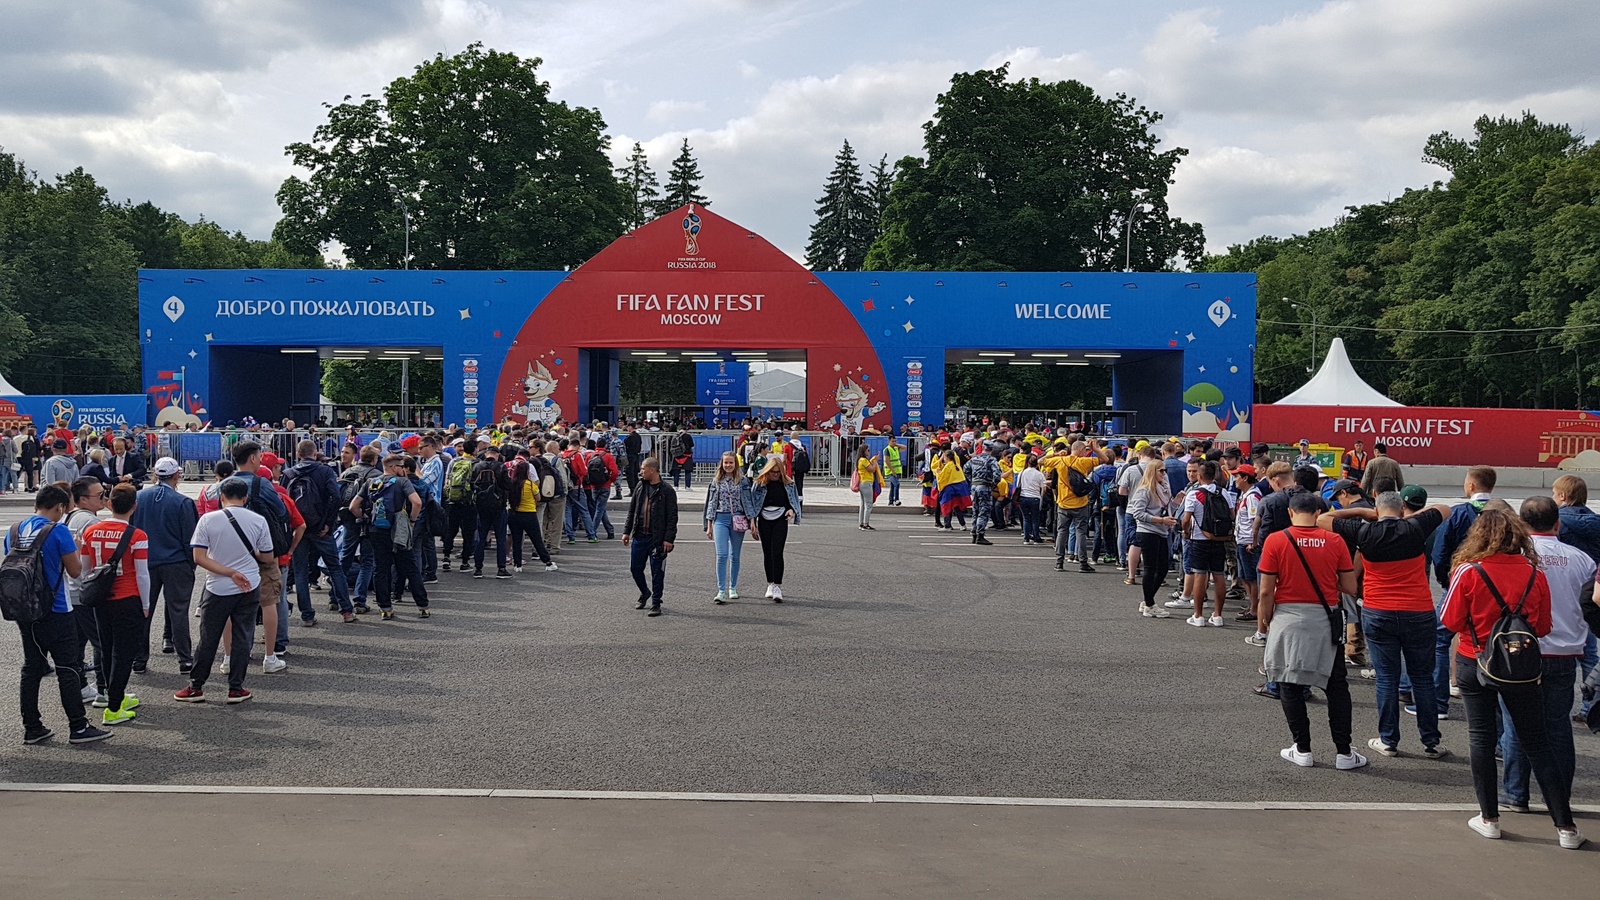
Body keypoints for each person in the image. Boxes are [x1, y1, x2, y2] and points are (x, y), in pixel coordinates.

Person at [1440, 507, 1584, 849]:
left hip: (1475, 660)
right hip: (1522, 664)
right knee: (1537, 740)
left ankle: (1489, 818)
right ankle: (1566, 827)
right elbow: (1545, 627)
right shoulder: (1535, 573)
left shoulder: (1468, 571)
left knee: (1481, 738)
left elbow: (1449, 620)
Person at [1318, 490, 1453, 758]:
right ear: (1402, 508)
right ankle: (1431, 741)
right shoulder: (1415, 527)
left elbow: (1323, 518)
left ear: (1377, 510)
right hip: (1417, 610)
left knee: (1387, 678)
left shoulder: (1364, 532)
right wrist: (1408, 515)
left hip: (1379, 610)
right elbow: (1444, 508)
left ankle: (1388, 739)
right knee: (1422, 678)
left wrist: (1362, 512)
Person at [1257, 491, 1365, 771]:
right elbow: (1350, 587)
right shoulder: (1335, 541)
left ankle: (1302, 748)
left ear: (1291, 513)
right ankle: (1344, 752)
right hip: (1324, 618)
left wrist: (1264, 623)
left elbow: (1266, 591)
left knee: (1289, 683)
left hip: (1287, 619)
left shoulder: (1276, 540)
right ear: (1318, 513)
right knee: (1336, 685)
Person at [1499, 497, 1590, 818]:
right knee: (1557, 728)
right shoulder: (1581, 560)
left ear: (1521, 523)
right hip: (1565, 653)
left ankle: (1515, 793)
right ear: (1558, 523)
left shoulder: (1515, 558)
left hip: (1519, 652)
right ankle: (1559, 795)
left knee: (1515, 726)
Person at [4, 485, 111, 744]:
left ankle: (32, 726)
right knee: (67, 667)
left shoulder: (14, 530)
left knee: (32, 666)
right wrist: (74, 548)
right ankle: (78, 725)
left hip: (24, 608)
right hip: (56, 608)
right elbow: (75, 571)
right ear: (60, 507)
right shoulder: (58, 530)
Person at [176, 478, 274, 704]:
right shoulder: (258, 520)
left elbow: (198, 557)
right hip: (249, 584)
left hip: (217, 587)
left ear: (221, 497)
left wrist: (229, 572)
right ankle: (236, 688)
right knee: (243, 636)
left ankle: (196, 686)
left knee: (208, 638)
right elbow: (267, 556)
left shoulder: (207, 520)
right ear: (245, 498)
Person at [79, 484, 150, 726]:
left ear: (109, 504)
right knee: (124, 652)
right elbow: (142, 575)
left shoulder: (91, 531)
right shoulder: (138, 536)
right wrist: (146, 603)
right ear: (134, 507)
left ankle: (112, 695)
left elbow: (85, 568)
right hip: (127, 597)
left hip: (100, 598)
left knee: (106, 648)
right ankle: (114, 706)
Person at [130, 457, 200, 674]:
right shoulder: (183, 502)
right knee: (178, 610)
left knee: (143, 611)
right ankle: (185, 659)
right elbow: (190, 538)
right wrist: (192, 564)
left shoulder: (138, 498)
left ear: (155, 475)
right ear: (176, 476)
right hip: (175, 561)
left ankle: (139, 659)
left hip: (145, 561)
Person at [350, 453, 430, 617]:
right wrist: (412, 520)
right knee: (410, 567)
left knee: (380, 568)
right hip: (398, 529)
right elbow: (417, 502)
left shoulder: (371, 482)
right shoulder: (402, 482)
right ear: (394, 467)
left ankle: (385, 608)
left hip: (376, 530)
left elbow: (353, 506)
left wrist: (363, 517)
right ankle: (422, 606)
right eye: (401, 466)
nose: (403, 469)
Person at [285, 440, 354, 625]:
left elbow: (284, 502)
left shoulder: (289, 473)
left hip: (299, 529)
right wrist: (328, 523)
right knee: (335, 568)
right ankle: (346, 611)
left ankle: (307, 616)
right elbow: (336, 496)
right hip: (321, 528)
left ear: (298, 455)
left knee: (300, 572)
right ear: (315, 454)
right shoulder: (325, 471)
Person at [623, 457, 677, 616]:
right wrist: (627, 531)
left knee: (657, 572)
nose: (641, 471)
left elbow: (672, 517)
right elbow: (632, 510)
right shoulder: (640, 486)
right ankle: (644, 592)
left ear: (652, 470)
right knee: (635, 569)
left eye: (643, 469)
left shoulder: (667, 491)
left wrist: (669, 539)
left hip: (657, 539)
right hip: (639, 536)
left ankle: (656, 603)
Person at [1179, 459, 1230, 627]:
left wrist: (1186, 532)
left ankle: (1198, 615)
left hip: (1199, 539)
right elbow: (1232, 514)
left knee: (1200, 575)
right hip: (1218, 538)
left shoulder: (1194, 494)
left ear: (1200, 476)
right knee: (1219, 575)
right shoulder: (1224, 493)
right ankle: (1218, 615)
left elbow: (1186, 519)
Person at [1127, 459, 1177, 618]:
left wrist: (1176, 502)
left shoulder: (1164, 487)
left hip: (1161, 531)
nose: (1164, 474)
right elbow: (1138, 514)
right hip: (1148, 531)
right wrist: (1161, 520)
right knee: (1150, 568)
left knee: (1162, 568)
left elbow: (1168, 508)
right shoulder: (1144, 490)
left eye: (1165, 471)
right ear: (1153, 472)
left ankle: (1148, 599)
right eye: (1161, 471)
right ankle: (1149, 604)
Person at [703, 452, 754, 604]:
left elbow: (748, 501)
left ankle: (732, 587)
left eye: (731, 463)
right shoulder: (716, 481)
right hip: (720, 518)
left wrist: (752, 521)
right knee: (722, 555)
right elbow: (711, 504)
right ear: (722, 464)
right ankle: (721, 590)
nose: (728, 465)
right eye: (726, 463)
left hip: (738, 518)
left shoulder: (743, 481)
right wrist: (709, 525)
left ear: (735, 464)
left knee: (735, 555)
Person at [751, 457, 802, 601]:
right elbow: (753, 504)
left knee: (777, 552)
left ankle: (778, 586)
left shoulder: (788, 484)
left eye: (778, 472)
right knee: (767, 553)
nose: (775, 475)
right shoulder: (759, 484)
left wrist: (792, 510)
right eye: (772, 472)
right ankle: (770, 583)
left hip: (780, 519)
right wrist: (752, 522)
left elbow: (792, 501)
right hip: (764, 519)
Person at [507, 451, 557, 573]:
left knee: (517, 539)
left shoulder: (511, 484)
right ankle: (548, 562)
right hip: (529, 513)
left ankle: (517, 564)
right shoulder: (530, 485)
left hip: (513, 513)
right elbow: (538, 498)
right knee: (536, 540)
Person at [469, 445, 512, 578]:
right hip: (498, 506)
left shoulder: (477, 466)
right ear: (497, 455)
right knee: (500, 538)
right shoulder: (500, 466)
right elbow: (508, 485)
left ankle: (478, 568)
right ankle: (501, 568)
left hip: (481, 506)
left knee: (481, 537)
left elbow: (471, 484)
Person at [964, 443, 1001, 546]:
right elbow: (997, 474)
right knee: (984, 510)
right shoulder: (991, 460)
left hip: (974, 486)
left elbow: (965, 469)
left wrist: (972, 480)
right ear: (991, 450)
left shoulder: (975, 458)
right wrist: (993, 484)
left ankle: (974, 534)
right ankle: (980, 535)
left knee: (975, 510)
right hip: (985, 486)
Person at [1016, 454, 1047, 545]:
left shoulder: (1022, 473)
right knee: (1035, 518)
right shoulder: (1039, 474)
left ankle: (1026, 538)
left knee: (1026, 518)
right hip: (1035, 497)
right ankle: (1036, 537)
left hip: (1023, 497)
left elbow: (1018, 485)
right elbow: (1044, 488)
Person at [855, 443, 882, 531]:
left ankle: (861, 523)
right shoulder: (863, 460)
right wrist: (875, 461)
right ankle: (865, 524)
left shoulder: (860, 460)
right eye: (868, 450)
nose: (869, 452)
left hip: (863, 483)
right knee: (869, 504)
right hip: (867, 483)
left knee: (863, 504)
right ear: (864, 451)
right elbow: (872, 469)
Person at [880, 437, 905, 507]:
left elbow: (904, 447)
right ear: (889, 441)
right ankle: (896, 499)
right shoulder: (887, 450)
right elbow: (887, 461)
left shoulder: (896, 448)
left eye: (895, 441)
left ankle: (890, 502)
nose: (894, 443)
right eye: (892, 441)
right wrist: (892, 471)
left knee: (893, 486)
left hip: (896, 471)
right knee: (897, 484)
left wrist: (897, 445)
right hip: (889, 471)